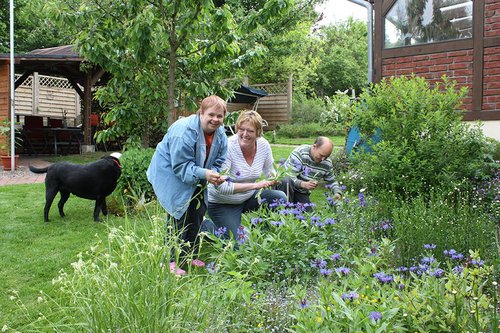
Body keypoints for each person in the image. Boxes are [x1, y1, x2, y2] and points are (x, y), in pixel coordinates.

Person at [147, 95, 228, 275]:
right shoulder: (183, 131)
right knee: (178, 213)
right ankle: (170, 260)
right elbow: (180, 166)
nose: (215, 119)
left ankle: (189, 254)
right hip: (170, 172)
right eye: (211, 115)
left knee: (197, 211)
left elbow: (220, 158)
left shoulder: (220, 133)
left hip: (199, 173)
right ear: (201, 113)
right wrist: (205, 173)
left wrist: (212, 172)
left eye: (220, 116)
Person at [207, 110, 287, 241]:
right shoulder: (227, 146)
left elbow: (269, 170)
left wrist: (275, 178)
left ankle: (265, 234)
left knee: (279, 197)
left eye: (250, 131)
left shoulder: (263, 145)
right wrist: (256, 185)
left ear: (258, 133)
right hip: (222, 202)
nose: (244, 134)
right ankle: (205, 226)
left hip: (247, 198)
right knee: (237, 243)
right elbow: (222, 187)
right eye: (241, 129)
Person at [276, 136, 342, 210]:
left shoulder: (327, 163)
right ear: (314, 147)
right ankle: (285, 210)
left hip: (301, 192)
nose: (323, 159)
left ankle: (293, 209)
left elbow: (332, 181)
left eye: (326, 157)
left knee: (308, 216)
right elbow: (289, 176)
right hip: (285, 188)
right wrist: (302, 184)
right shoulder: (300, 152)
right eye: (321, 155)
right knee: (286, 181)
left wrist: (337, 192)